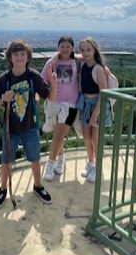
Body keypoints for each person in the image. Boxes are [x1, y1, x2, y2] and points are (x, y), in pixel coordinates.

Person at [0, 39, 56, 209]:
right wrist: (3, 98)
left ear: (28, 57)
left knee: (35, 158)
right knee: (6, 161)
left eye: (22, 54)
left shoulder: (33, 76)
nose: (19, 58)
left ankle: (38, 185)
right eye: (16, 54)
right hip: (10, 128)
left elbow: (49, 96)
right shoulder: (4, 79)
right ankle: (3, 189)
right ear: (10, 57)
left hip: (29, 126)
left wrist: (54, 84)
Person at [40, 35, 82, 182]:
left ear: (72, 48)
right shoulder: (52, 62)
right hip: (54, 102)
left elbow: (91, 60)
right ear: (58, 47)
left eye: (68, 46)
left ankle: (50, 164)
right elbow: (43, 80)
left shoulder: (77, 62)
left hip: (71, 104)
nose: (65, 49)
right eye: (62, 46)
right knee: (58, 135)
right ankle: (61, 158)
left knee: (58, 135)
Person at [78, 36, 111, 183]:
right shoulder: (84, 65)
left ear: (95, 50)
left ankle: (98, 167)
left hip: (97, 105)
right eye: (83, 50)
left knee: (96, 139)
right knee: (87, 137)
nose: (85, 53)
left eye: (88, 50)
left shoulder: (98, 69)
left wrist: (95, 114)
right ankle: (90, 162)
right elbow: (74, 56)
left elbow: (104, 93)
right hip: (85, 103)